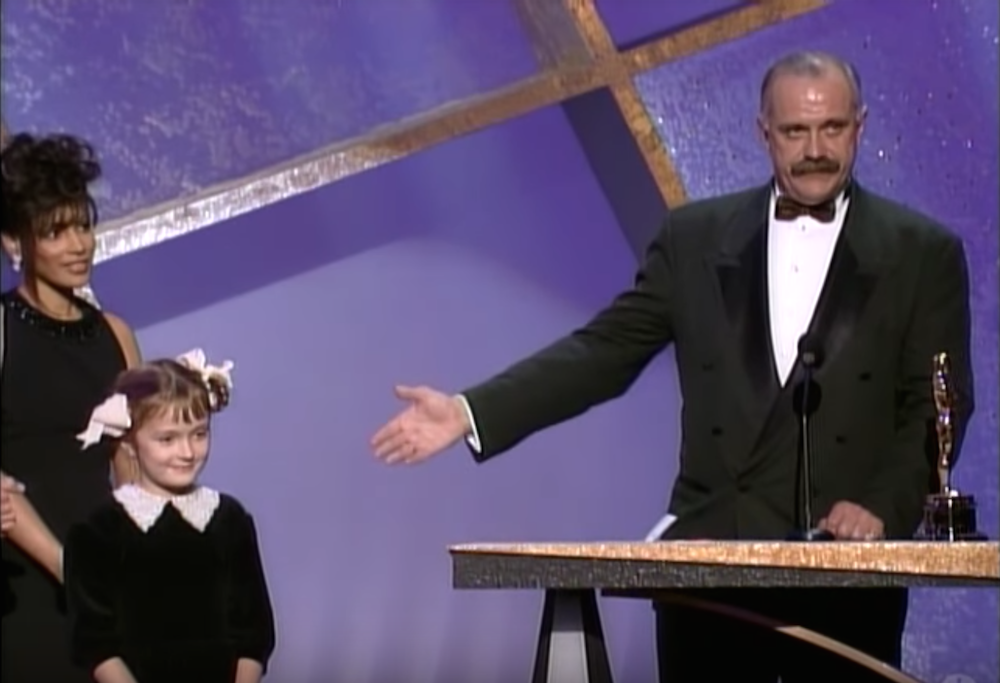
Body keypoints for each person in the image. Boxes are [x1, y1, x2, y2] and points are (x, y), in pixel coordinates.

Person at [370, 50, 973, 682]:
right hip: (706, 571)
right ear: (763, 132)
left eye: (833, 129)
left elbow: (936, 406)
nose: (815, 148)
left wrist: (880, 506)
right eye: (796, 131)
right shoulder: (695, 239)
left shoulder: (921, 253)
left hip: (847, 572)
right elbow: (605, 352)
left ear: (861, 125)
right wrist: (472, 411)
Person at [1, 132, 142, 682]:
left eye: (83, 225)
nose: (78, 244)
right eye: (56, 231)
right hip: (28, 583)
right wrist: (67, 569)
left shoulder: (115, 334)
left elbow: (131, 462)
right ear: (16, 241)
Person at [63, 350, 276, 683]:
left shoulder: (229, 520)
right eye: (167, 439)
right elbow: (96, 645)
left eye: (199, 434)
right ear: (131, 443)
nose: (188, 452)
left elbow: (254, 633)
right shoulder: (98, 532)